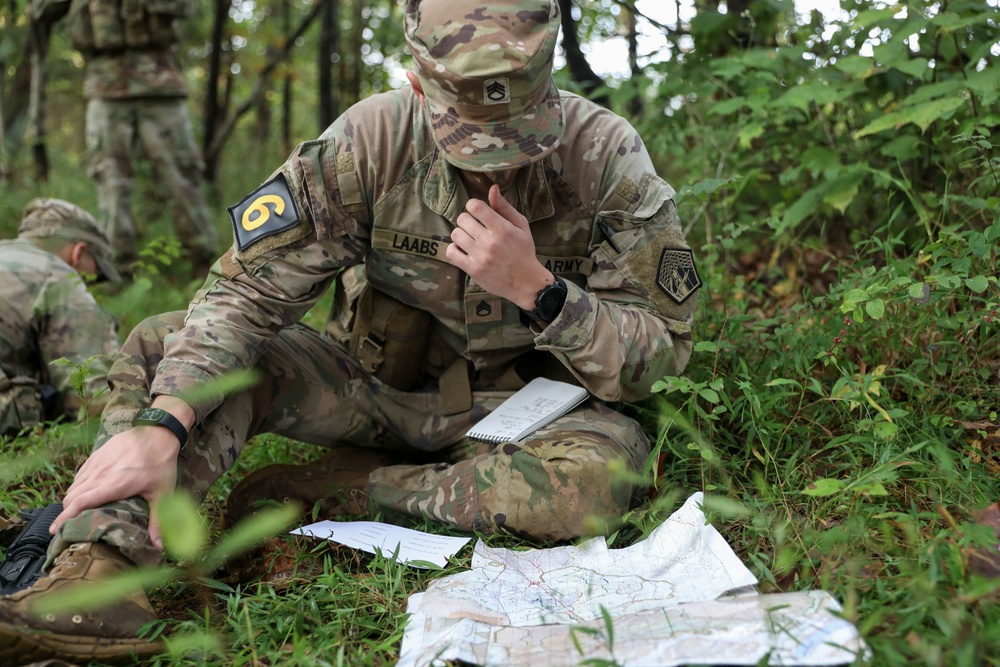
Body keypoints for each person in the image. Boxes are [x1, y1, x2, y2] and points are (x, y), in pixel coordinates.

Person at [0, 0, 702, 662]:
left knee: (595, 484)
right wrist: (165, 420)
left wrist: (541, 292)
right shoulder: (369, 141)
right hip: (377, 392)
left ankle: (347, 491)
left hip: (532, 419)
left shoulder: (604, 156)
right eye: (470, 141)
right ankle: (98, 570)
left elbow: (661, 352)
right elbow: (245, 289)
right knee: (165, 344)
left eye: (519, 137)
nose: (498, 165)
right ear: (416, 87)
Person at [32, 0, 219, 275]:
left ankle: (205, 265)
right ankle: (118, 268)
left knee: (181, 178)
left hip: (160, 86)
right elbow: (40, 11)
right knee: (111, 181)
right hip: (105, 87)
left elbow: (187, 8)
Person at [0, 198, 121, 438]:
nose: (90, 286)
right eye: (94, 276)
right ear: (79, 253)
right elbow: (92, 397)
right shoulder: (59, 278)